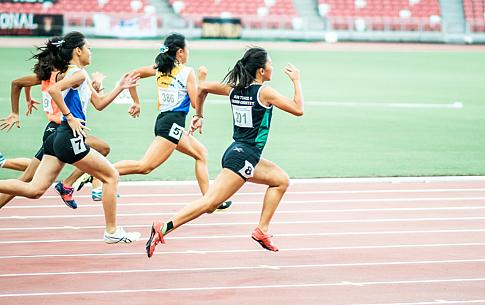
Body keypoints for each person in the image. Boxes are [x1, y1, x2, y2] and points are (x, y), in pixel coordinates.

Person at [146, 47, 304, 257]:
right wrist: (296, 80)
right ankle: (164, 226)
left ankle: (261, 230)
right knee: (209, 204)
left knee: (281, 180)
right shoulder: (264, 92)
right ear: (261, 71)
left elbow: (202, 88)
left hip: (242, 153)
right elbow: (298, 109)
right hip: (243, 157)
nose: (272, 67)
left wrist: (199, 114)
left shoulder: (233, 88)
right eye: (270, 64)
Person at [0, 31, 141, 243]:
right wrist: (70, 117)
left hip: (57, 137)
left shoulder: (77, 73)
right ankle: (112, 231)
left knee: (34, 189)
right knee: (111, 176)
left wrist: (119, 87)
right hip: (67, 136)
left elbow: (99, 104)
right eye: (89, 48)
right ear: (78, 51)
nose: (91, 52)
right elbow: (55, 90)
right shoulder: (78, 74)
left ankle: (110, 228)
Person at [113, 33, 231, 211]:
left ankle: (209, 202)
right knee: (145, 166)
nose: (188, 53)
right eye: (187, 49)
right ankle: (101, 172)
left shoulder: (160, 67)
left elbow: (131, 75)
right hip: (173, 124)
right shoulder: (187, 72)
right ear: (181, 53)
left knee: (201, 153)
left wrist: (136, 101)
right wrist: (202, 81)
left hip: (165, 122)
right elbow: (195, 102)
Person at [0, 41, 110, 209]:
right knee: (103, 149)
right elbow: (21, 84)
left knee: (29, 184)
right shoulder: (69, 74)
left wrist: (26, 100)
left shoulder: (49, 74)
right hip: (61, 130)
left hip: (54, 130)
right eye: (88, 48)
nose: (90, 51)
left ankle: (69, 184)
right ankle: (68, 184)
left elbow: (20, 83)